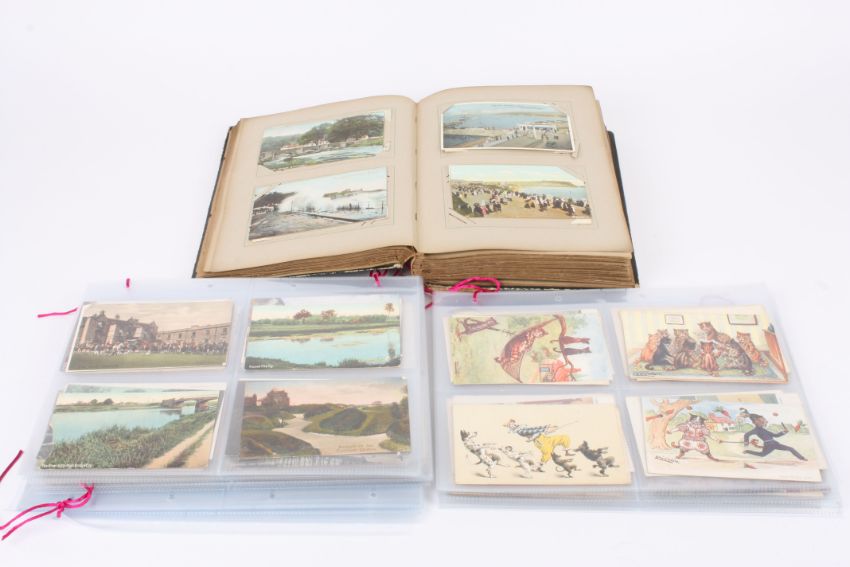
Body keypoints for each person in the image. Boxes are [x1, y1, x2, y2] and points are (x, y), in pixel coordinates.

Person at [740, 410, 807, 460]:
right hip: (768, 446)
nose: (763, 422)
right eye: (761, 421)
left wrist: (783, 432)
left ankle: (802, 458)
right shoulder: (756, 430)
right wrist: (746, 442)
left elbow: (776, 435)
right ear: (755, 422)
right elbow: (746, 435)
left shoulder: (765, 430)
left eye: (763, 421)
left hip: (775, 444)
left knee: (790, 449)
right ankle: (747, 451)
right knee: (762, 455)